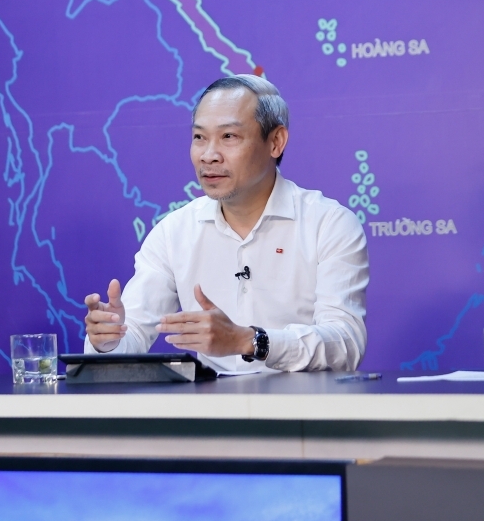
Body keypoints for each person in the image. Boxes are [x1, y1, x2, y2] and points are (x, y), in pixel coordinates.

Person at [83, 75, 369, 372]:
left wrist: (250, 341)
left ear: (275, 142)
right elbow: (130, 337)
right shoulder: (173, 232)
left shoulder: (329, 225)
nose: (209, 156)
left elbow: (345, 343)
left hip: (305, 401)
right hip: (211, 402)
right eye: (199, 137)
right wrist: (108, 341)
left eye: (229, 136)